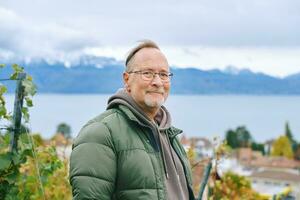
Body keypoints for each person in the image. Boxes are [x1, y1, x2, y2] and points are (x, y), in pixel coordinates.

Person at [69, 40, 195, 200]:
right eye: (147, 73)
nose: (157, 82)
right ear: (127, 79)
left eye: (164, 75)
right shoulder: (100, 134)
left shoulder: (170, 135)